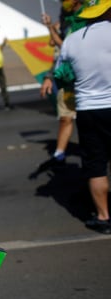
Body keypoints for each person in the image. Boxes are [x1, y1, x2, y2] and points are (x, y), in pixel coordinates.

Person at [58, 0, 111, 234]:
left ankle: (103, 217)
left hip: (88, 109)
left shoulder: (71, 40)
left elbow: (62, 74)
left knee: (96, 165)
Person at [39, 0, 85, 166]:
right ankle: (60, 153)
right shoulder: (64, 21)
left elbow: (65, 45)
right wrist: (51, 26)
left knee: (88, 119)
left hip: (85, 79)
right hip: (67, 78)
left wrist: (51, 27)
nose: (63, 4)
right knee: (66, 116)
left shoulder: (89, 20)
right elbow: (56, 45)